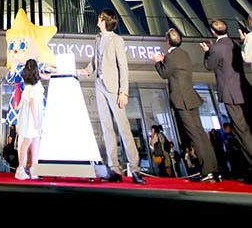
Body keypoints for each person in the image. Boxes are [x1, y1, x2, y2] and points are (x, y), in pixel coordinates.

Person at [82, 9, 145, 184]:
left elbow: (123, 66)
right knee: (106, 127)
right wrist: (81, 71)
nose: (98, 18)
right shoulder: (97, 39)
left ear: (104, 20)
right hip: (99, 86)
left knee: (123, 127)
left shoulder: (117, 40)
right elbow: (94, 63)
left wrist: (123, 91)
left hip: (113, 88)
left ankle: (136, 169)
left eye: (100, 17)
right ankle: (114, 170)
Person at [152, 28, 218, 182]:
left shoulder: (170, 56)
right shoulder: (184, 54)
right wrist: (164, 61)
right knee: (201, 133)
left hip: (181, 100)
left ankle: (206, 171)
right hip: (190, 97)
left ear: (168, 41)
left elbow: (164, 73)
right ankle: (213, 169)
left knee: (194, 135)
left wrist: (157, 61)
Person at [201, 19, 252, 182]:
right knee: (246, 128)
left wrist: (207, 51)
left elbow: (209, 65)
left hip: (230, 94)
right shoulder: (235, 44)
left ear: (214, 32)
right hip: (243, 89)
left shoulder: (216, 48)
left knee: (241, 131)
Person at [15, 59, 44, 180]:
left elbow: (46, 75)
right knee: (28, 140)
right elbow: (32, 103)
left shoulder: (30, 83)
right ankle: (20, 168)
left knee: (34, 141)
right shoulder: (34, 85)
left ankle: (33, 168)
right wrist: (36, 119)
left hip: (31, 114)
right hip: (32, 116)